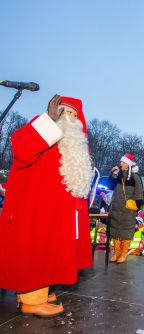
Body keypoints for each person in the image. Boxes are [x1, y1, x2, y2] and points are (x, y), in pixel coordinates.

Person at [0, 95, 94, 316]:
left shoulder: (75, 147)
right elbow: (21, 149)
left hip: (61, 215)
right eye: (64, 112)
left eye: (74, 115)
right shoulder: (41, 128)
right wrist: (49, 120)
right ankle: (30, 299)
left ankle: (44, 290)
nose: (68, 118)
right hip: (36, 212)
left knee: (54, 252)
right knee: (37, 250)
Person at [109, 153, 144, 264]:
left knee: (126, 231)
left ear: (128, 164)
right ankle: (116, 252)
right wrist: (112, 174)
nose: (121, 164)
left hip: (128, 210)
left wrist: (139, 206)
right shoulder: (118, 174)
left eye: (123, 162)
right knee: (114, 230)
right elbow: (110, 186)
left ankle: (124, 253)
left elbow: (139, 192)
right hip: (116, 208)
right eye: (121, 162)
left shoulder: (135, 177)